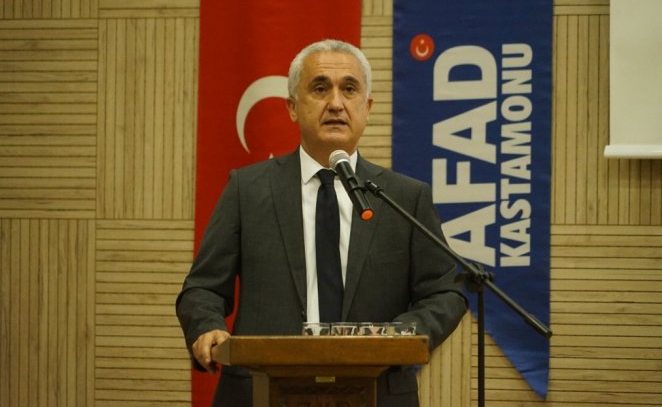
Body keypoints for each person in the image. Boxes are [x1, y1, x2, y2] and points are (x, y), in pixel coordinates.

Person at [176, 39, 468, 406]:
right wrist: (207, 327)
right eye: (319, 88)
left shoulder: (404, 198)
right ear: (292, 108)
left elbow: (445, 293)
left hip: (377, 393)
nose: (335, 103)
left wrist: (397, 337)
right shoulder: (247, 190)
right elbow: (202, 288)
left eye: (349, 89)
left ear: (367, 107)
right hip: (261, 391)